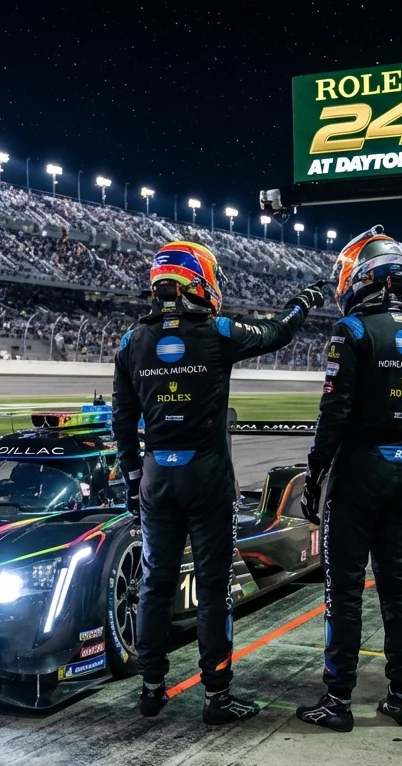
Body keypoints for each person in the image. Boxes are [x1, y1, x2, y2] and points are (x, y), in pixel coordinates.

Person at [111, 240, 323, 725]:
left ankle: (151, 689)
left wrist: (132, 480)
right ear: (198, 281)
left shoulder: (130, 342)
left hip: (156, 478)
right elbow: (276, 332)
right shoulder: (217, 331)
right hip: (207, 480)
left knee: (154, 586)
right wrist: (305, 300)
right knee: (213, 589)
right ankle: (216, 696)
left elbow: (122, 424)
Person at [295, 225, 402, 732]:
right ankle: (401, 695)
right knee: (398, 587)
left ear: (364, 277)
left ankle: (337, 701)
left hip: (356, 476)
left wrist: (315, 474)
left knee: (345, 591)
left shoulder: (352, 331)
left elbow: (333, 414)